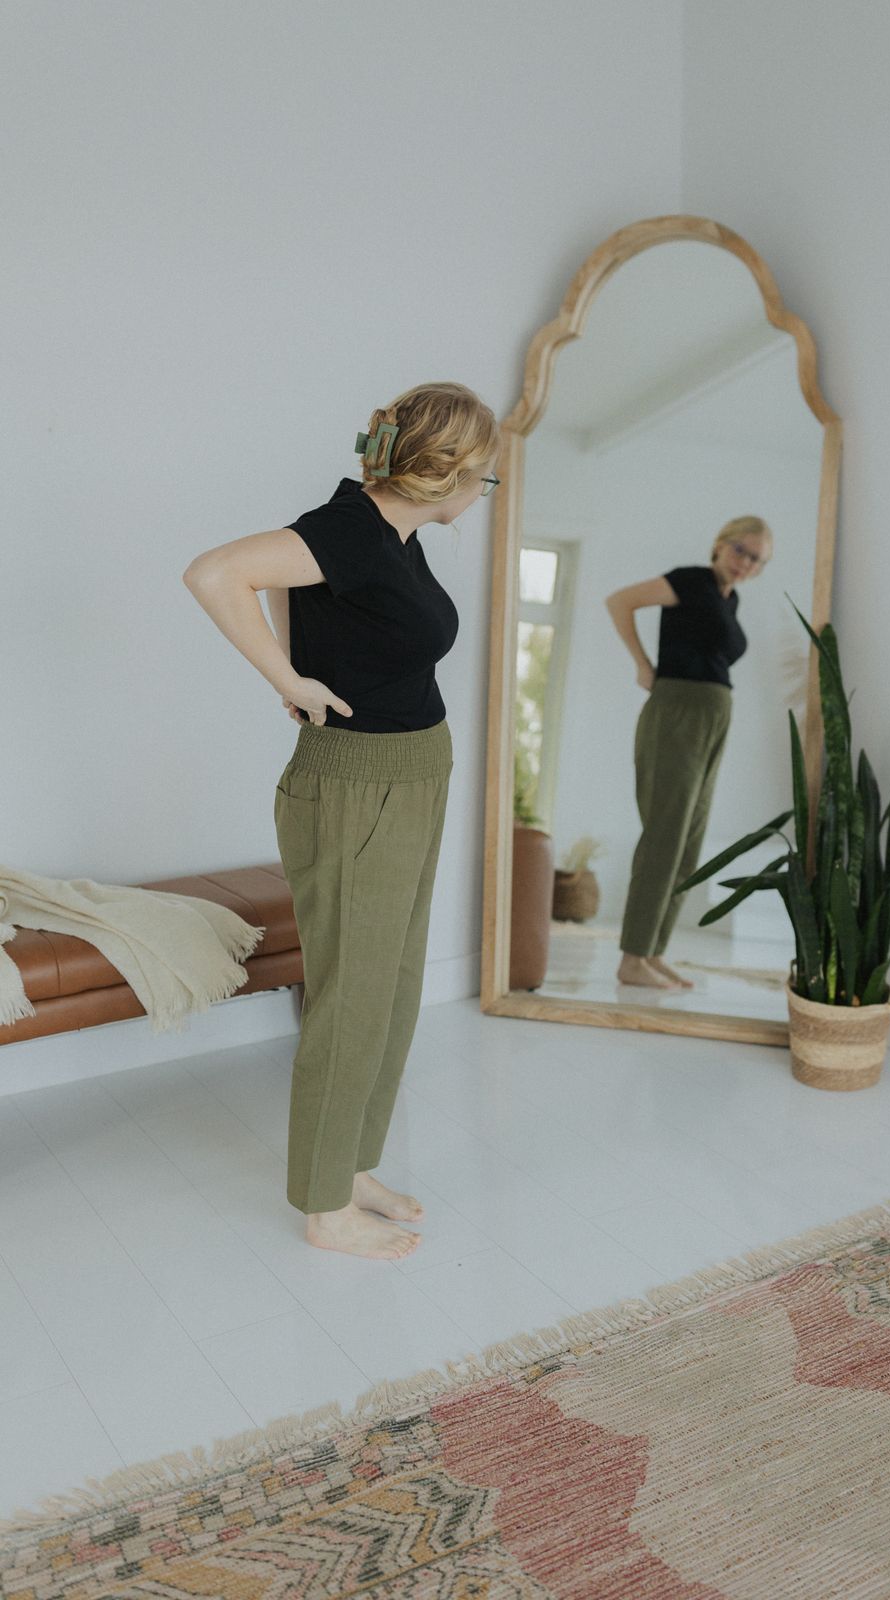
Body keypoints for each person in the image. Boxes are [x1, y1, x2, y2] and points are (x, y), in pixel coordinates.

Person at [182, 381, 500, 1259]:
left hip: (411, 772)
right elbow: (215, 573)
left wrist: (302, 661)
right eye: (487, 478)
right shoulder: (351, 527)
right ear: (447, 474)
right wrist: (288, 681)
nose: (485, 493)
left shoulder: (385, 536)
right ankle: (324, 1209)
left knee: (392, 987)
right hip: (357, 785)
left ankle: (352, 1164)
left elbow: (310, 601)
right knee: (352, 995)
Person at [604, 515, 773, 991]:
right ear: (719, 545)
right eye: (742, 550)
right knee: (665, 836)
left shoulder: (730, 598)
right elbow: (620, 601)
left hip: (714, 716)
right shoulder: (691, 581)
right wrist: (642, 665)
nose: (746, 563)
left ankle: (653, 951)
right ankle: (631, 957)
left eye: (757, 559)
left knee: (688, 843)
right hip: (678, 711)